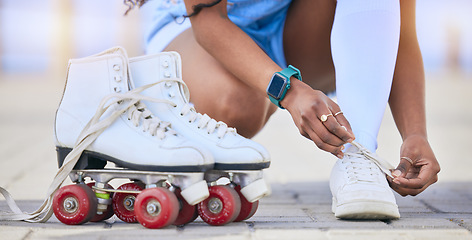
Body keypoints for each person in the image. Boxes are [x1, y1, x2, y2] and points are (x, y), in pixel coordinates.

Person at [138, 0, 440, 219]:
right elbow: (208, 20)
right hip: (200, 29)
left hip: (294, 25)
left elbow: (400, 32)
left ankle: (358, 154)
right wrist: (289, 91)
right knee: (240, 105)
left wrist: (415, 133)